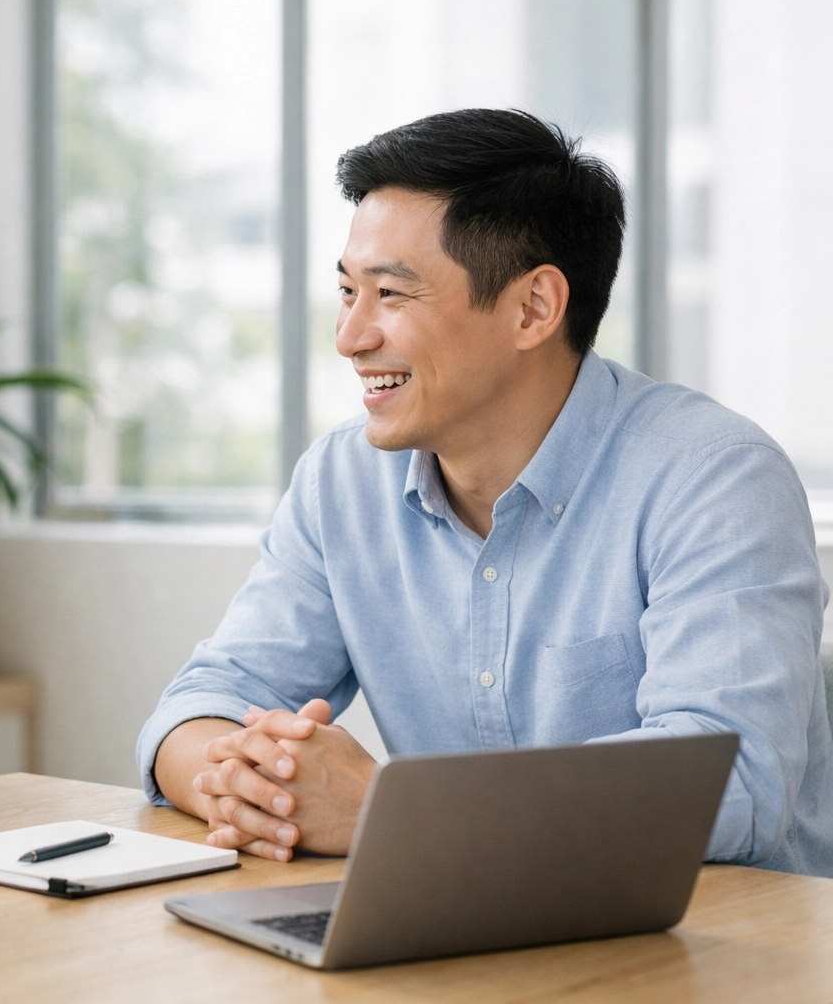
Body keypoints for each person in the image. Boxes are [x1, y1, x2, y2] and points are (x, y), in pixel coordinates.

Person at [138, 108, 833, 876]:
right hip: (464, 928)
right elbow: (203, 703)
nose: (350, 337)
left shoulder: (715, 477)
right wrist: (250, 780)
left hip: (720, 955)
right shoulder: (341, 480)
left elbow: (732, 787)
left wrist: (389, 810)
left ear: (533, 308)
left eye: (391, 296)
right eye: (347, 293)